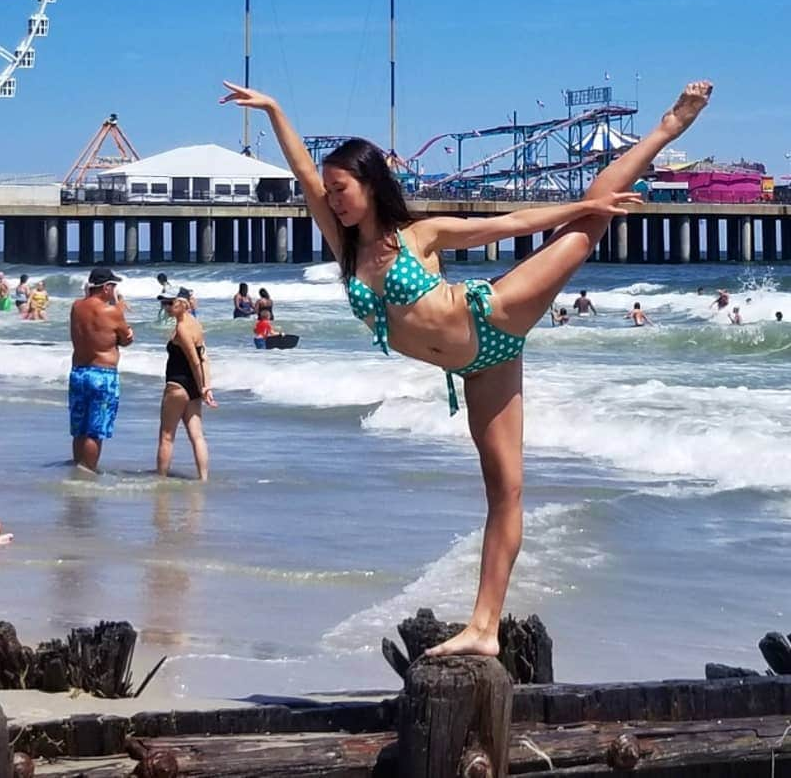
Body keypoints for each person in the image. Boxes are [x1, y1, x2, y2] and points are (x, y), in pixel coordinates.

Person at [221, 76, 712, 658]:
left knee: (587, 229)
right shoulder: (345, 246)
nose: (332, 198)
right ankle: (484, 630)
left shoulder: (420, 235)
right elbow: (304, 173)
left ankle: (667, 127)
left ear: (370, 185)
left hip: (495, 319)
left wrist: (584, 203)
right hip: (479, 372)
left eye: (342, 188)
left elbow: (509, 226)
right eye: (330, 191)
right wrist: (276, 109)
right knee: (503, 492)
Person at [69, 268, 134, 471]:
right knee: (95, 431)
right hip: (102, 374)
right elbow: (126, 339)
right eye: (113, 286)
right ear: (106, 287)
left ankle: (78, 467)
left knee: (79, 428)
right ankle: (87, 473)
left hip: (79, 372)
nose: (114, 290)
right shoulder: (112, 311)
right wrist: (118, 307)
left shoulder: (76, 307)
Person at [157, 286, 217, 481]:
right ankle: (204, 478)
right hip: (192, 387)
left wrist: (203, 387)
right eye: (164, 302)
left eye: (169, 303)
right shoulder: (196, 324)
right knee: (197, 435)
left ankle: (161, 480)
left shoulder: (182, 328)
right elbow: (205, 357)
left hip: (177, 385)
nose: (165, 307)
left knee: (167, 436)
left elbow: (194, 360)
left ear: (181, 304)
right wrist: (206, 387)